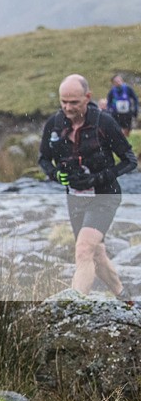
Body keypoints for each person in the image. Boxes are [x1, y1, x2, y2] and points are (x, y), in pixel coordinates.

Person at [38, 74, 137, 301]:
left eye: (74, 102)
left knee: (83, 249)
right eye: (63, 102)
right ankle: (126, 300)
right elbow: (43, 159)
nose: (67, 107)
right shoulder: (54, 124)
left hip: (105, 195)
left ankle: (75, 307)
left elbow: (129, 160)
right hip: (75, 197)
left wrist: (99, 177)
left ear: (88, 97)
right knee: (96, 253)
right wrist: (56, 175)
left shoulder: (104, 122)